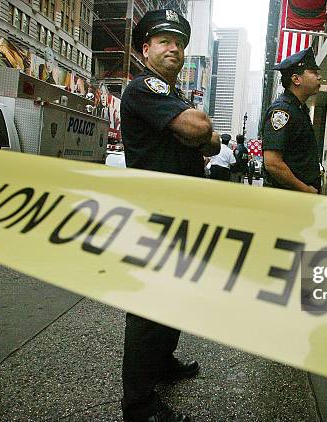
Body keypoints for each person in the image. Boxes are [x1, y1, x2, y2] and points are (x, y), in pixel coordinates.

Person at [120, 9, 220, 422]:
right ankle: (138, 403)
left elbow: (211, 144)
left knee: (174, 293)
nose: (173, 48)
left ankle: (162, 362)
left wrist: (199, 132)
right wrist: (197, 130)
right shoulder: (144, 87)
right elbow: (201, 132)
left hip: (180, 212)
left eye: (178, 42)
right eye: (163, 41)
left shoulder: (174, 97)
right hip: (155, 214)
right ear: (146, 49)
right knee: (149, 304)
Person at [262, 47, 322, 193]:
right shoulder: (283, 110)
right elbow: (272, 163)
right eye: (313, 72)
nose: (319, 77)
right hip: (287, 199)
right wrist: (305, 190)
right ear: (296, 79)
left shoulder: (299, 109)